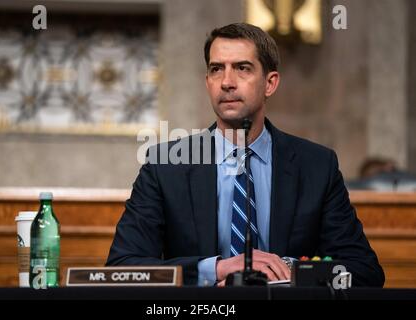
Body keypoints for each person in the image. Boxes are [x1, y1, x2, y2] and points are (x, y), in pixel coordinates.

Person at [106, 23, 385, 287]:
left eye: (242, 68)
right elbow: (123, 268)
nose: (227, 82)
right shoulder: (165, 165)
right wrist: (216, 268)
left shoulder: (317, 166)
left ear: (270, 83)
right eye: (217, 69)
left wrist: (288, 270)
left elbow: (363, 271)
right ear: (207, 82)